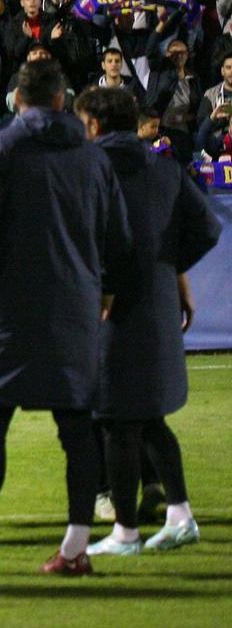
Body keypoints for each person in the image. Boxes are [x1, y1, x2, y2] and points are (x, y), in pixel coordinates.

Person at [0, 61, 131, 577]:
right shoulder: (92, 158)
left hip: (11, 306)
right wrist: (105, 288)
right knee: (77, 426)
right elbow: (116, 235)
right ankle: (75, 549)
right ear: (64, 103)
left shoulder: (0, 149)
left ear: (18, 102)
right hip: (74, 306)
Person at [76, 87, 219, 555]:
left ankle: (125, 532)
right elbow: (206, 228)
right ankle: (179, 515)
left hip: (111, 305)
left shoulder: (91, 169)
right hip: (157, 300)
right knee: (148, 415)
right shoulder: (164, 167)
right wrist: (170, 270)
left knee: (117, 420)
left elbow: (89, 238)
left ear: (94, 125)